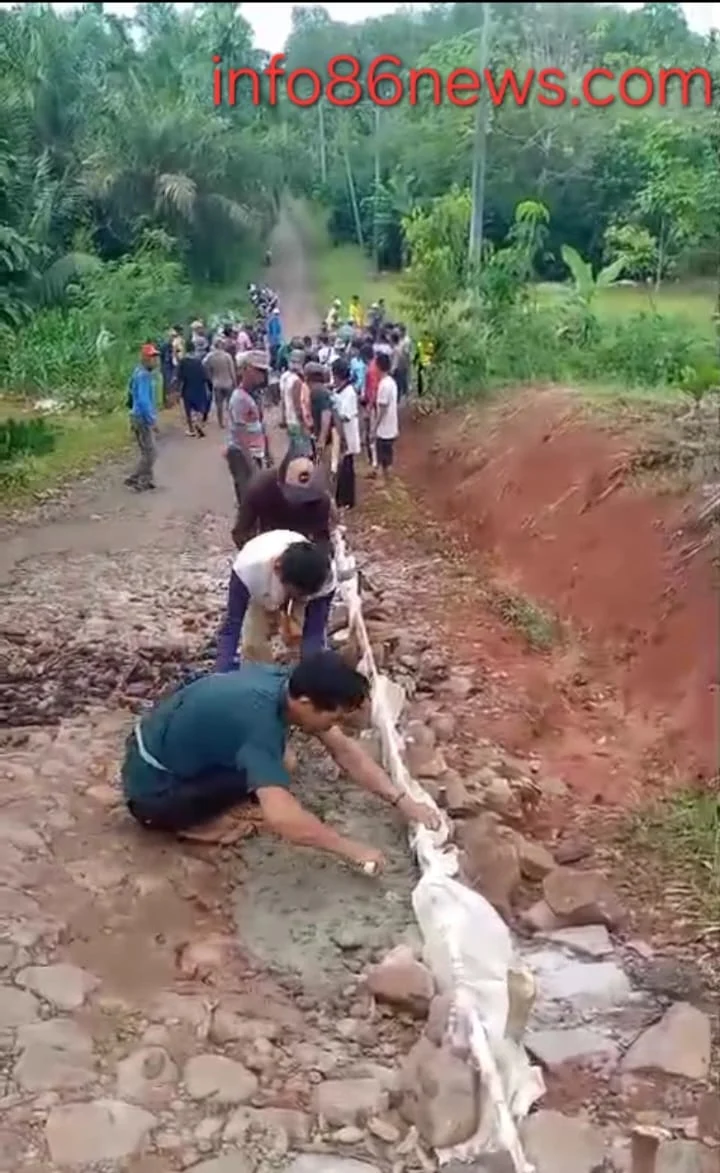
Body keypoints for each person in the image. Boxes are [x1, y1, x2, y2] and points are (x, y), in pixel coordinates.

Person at [122, 649, 440, 853]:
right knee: (276, 780)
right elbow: (283, 818)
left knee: (284, 762)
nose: (338, 725)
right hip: (152, 796)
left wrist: (402, 801)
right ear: (306, 703)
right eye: (336, 717)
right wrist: (352, 850)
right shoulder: (259, 727)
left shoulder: (283, 682)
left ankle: (212, 794)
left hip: (155, 749)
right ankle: (190, 824)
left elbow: (345, 751)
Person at [214, 530, 334, 672]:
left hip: (301, 583)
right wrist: (222, 671)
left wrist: (310, 675)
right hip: (264, 582)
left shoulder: (326, 579)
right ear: (277, 569)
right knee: (254, 643)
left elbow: (314, 631)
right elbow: (232, 625)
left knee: (302, 639)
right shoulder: (247, 571)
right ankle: (257, 674)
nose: (294, 597)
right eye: (293, 593)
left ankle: (296, 672)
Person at [232, 447, 337, 554]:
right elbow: (241, 533)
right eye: (295, 495)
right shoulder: (260, 489)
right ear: (280, 483)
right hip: (269, 541)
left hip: (302, 545)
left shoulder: (321, 499)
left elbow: (322, 537)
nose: (299, 502)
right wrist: (258, 555)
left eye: (306, 497)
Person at [225, 351, 268, 507]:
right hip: (242, 454)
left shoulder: (254, 395)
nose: (261, 376)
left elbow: (260, 426)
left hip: (254, 452)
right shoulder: (239, 399)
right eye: (258, 371)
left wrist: (266, 453)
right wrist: (251, 465)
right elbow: (241, 434)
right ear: (246, 370)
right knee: (248, 499)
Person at [124, 343, 159, 492]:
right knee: (151, 452)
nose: (154, 361)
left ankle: (146, 478)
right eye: (151, 357)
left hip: (135, 415)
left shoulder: (138, 372)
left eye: (155, 357)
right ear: (144, 358)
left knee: (146, 450)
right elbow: (144, 401)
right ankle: (137, 478)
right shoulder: (144, 375)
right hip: (141, 416)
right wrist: (152, 419)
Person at [330, 355, 360, 511]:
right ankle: (342, 498)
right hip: (342, 434)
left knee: (347, 467)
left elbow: (343, 416)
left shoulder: (349, 392)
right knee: (343, 466)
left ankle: (348, 500)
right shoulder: (340, 390)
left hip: (347, 434)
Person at [177, 341, 212, 437]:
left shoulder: (183, 361)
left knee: (188, 409)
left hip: (187, 387)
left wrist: (178, 390)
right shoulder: (199, 361)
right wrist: (209, 386)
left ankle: (191, 429)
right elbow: (205, 376)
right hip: (199, 387)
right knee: (200, 408)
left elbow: (179, 377)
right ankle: (199, 423)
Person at [375, 350, 399, 481]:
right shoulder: (392, 382)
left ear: (378, 367)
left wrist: (375, 426)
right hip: (391, 425)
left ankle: (382, 481)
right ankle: (390, 480)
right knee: (388, 456)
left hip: (384, 428)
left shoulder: (383, 385)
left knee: (381, 457)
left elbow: (382, 409)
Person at [279, 348, 312, 444]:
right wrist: (304, 422)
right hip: (297, 422)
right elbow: (298, 404)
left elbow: (283, 400)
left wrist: (283, 418)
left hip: (289, 419)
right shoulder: (296, 381)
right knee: (301, 450)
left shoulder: (284, 377)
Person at [204, 335, 237, 429]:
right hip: (228, 383)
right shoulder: (227, 356)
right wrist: (235, 383)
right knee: (230, 404)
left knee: (219, 405)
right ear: (222, 345)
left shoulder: (210, 356)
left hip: (216, 383)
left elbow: (204, 366)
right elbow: (232, 371)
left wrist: (210, 377)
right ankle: (232, 421)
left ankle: (220, 423)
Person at [267, 306, 283, 371]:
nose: (277, 315)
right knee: (275, 356)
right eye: (276, 314)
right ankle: (273, 367)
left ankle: (274, 367)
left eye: (277, 314)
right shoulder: (273, 321)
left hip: (275, 341)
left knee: (275, 355)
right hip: (274, 342)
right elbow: (274, 332)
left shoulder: (274, 321)